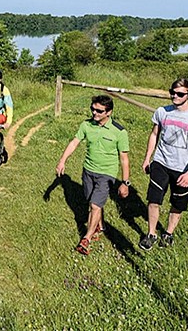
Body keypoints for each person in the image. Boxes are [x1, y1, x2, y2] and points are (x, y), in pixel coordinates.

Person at [139, 78, 188, 250]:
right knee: (154, 200)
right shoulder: (162, 112)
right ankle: (151, 234)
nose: (175, 96)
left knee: (177, 204)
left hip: (183, 169)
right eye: (172, 92)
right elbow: (154, 135)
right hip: (161, 163)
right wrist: (148, 158)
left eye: (180, 94)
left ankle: (168, 233)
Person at [56, 95, 130, 256]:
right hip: (88, 170)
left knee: (95, 206)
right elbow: (74, 142)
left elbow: (124, 159)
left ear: (109, 112)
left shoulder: (119, 131)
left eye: (99, 111)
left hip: (107, 174)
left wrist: (125, 182)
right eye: (93, 109)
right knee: (92, 201)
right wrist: (62, 161)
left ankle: (86, 238)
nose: (94, 113)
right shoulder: (86, 125)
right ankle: (100, 226)